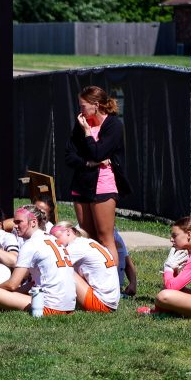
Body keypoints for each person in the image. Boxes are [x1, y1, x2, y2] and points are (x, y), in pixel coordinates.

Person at [66, 85, 130, 269]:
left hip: (103, 185)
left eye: (83, 106)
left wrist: (88, 133)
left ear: (96, 105)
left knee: (104, 238)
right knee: (88, 238)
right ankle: (93, 278)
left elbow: (98, 152)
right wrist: (88, 164)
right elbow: (69, 155)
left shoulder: (113, 125)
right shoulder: (80, 124)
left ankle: (112, 281)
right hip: (81, 184)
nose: (80, 110)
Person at [0, 205, 77, 316]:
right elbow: (33, 283)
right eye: (14, 222)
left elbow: (12, 285)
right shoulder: (53, 239)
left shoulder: (30, 244)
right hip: (70, 307)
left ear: (33, 222)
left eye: (19, 222)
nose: (15, 226)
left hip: (49, 307)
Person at [50, 221, 120, 312]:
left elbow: (52, 267)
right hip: (110, 301)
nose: (55, 243)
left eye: (56, 238)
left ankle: (49, 302)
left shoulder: (74, 248)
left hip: (102, 304)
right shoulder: (87, 241)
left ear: (68, 231)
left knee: (62, 268)